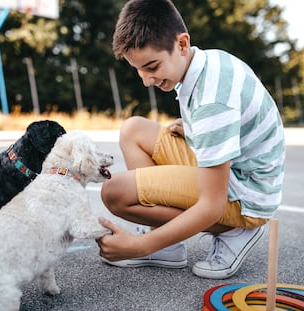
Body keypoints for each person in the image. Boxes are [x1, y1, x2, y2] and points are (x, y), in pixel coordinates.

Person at [96, 0, 285, 279]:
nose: (146, 80)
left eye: (152, 66)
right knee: (133, 130)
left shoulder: (213, 102)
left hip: (246, 195)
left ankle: (235, 231)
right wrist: (197, 129)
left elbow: (212, 205)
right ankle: (167, 243)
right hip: (235, 170)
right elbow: (233, 119)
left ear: (182, 44)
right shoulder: (206, 62)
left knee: (115, 193)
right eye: (138, 70)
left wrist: (137, 246)